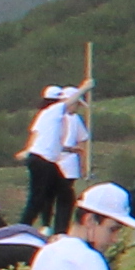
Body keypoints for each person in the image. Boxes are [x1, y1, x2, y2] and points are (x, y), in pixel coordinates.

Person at [20, 81, 89, 231]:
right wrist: (85, 87)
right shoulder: (54, 111)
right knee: (38, 199)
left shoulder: (47, 115)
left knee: (63, 193)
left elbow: (39, 136)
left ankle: (57, 229)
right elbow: (69, 101)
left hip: (45, 161)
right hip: (42, 160)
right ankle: (22, 228)